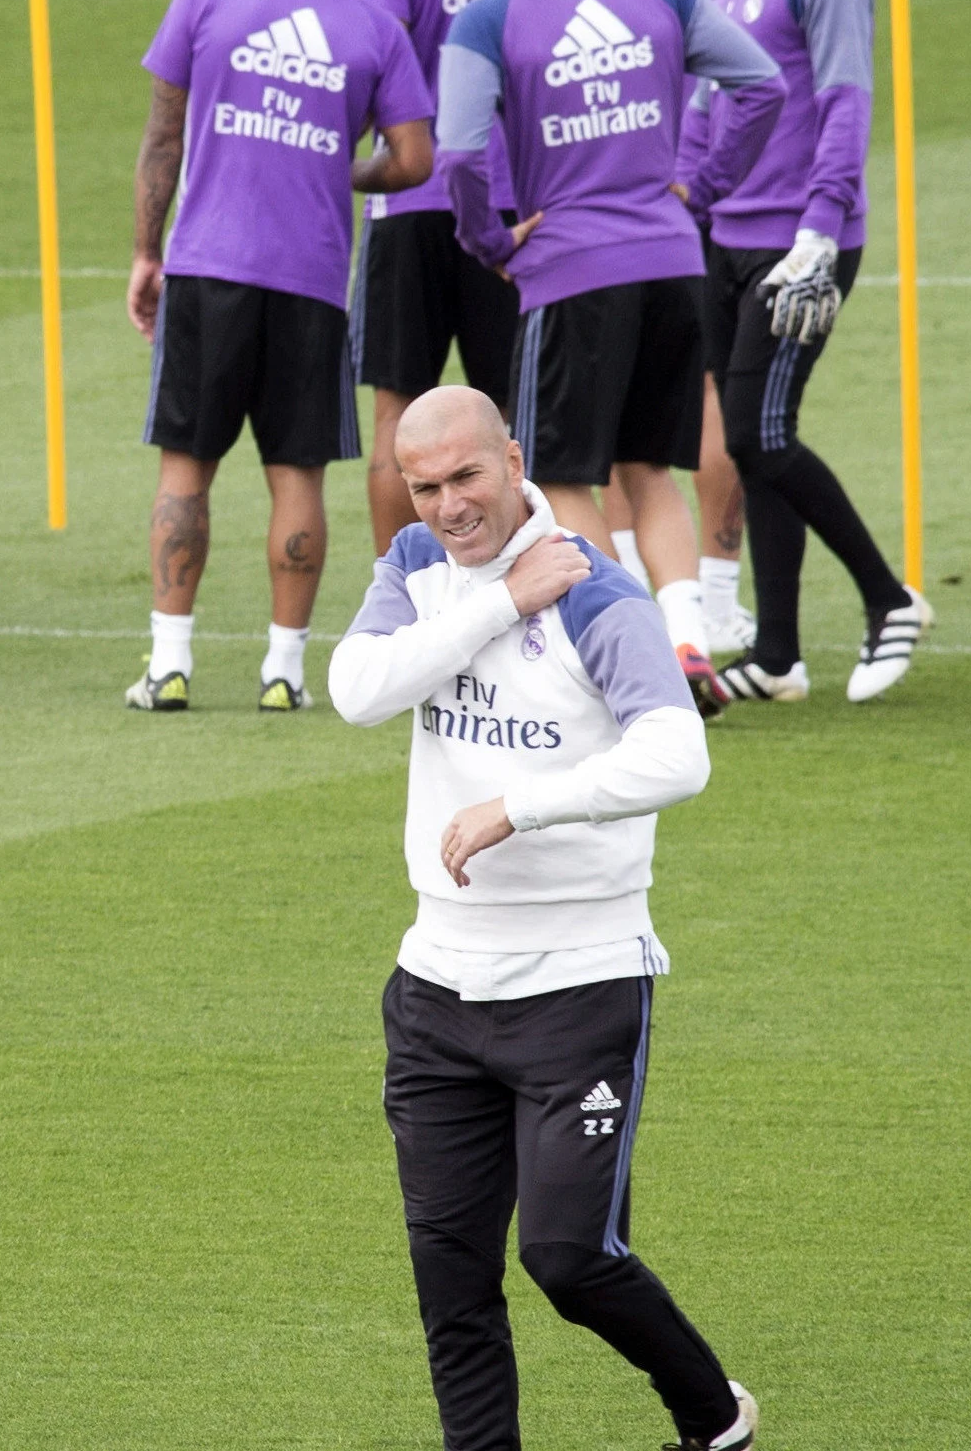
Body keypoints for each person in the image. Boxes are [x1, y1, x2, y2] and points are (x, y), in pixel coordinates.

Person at [328, 384, 756, 1451]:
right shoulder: (418, 569)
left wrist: (514, 808)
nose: (446, 506)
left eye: (464, 477)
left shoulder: (596, 592)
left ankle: (714, 1420)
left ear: (510, 455)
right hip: (434, 992)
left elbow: (677, 755)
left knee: (568, 1259)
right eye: (423, 486)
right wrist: (494, 603)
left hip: (578, 984)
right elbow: (356, 689)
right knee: (451, 1281)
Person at [433, 0, 783, 717]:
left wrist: (488, 241)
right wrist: (701, 184)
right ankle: (688, 638)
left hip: (572, 268)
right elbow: (761, 85)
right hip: (671, 262)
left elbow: (455, 151)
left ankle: (631, 654)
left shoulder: (489, 17)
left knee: (557, 476)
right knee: (650, 471)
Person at [126, 0, 435, 714]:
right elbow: (413, 159)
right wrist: (347, 167)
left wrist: (148, 252)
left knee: (187, 467)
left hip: (206, 267)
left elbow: (162, 138)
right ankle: (283, 671)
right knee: (296, 473)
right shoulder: (373, 27)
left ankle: (170, 666)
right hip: (311, 280)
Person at [676, 0, 931, 703]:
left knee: (757, 432)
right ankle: (779, 655)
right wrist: (683, 200)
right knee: (750, 446)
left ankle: (888, 597)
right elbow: (707, 106)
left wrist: (823, 226)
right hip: (725, 239)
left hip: (799, 243)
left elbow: (845, 96)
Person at [581, 0, 806, 649]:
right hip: (749, 179)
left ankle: (636, 590)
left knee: (618, 402)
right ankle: (714, 596)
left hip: (645, 178)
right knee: (722, 397)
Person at [349, 0, 517, 564]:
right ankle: (528, 591)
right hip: (514, 202)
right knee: (512, 416)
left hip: (411, 195)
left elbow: (374, 58)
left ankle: (406, 603)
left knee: (396, 413)